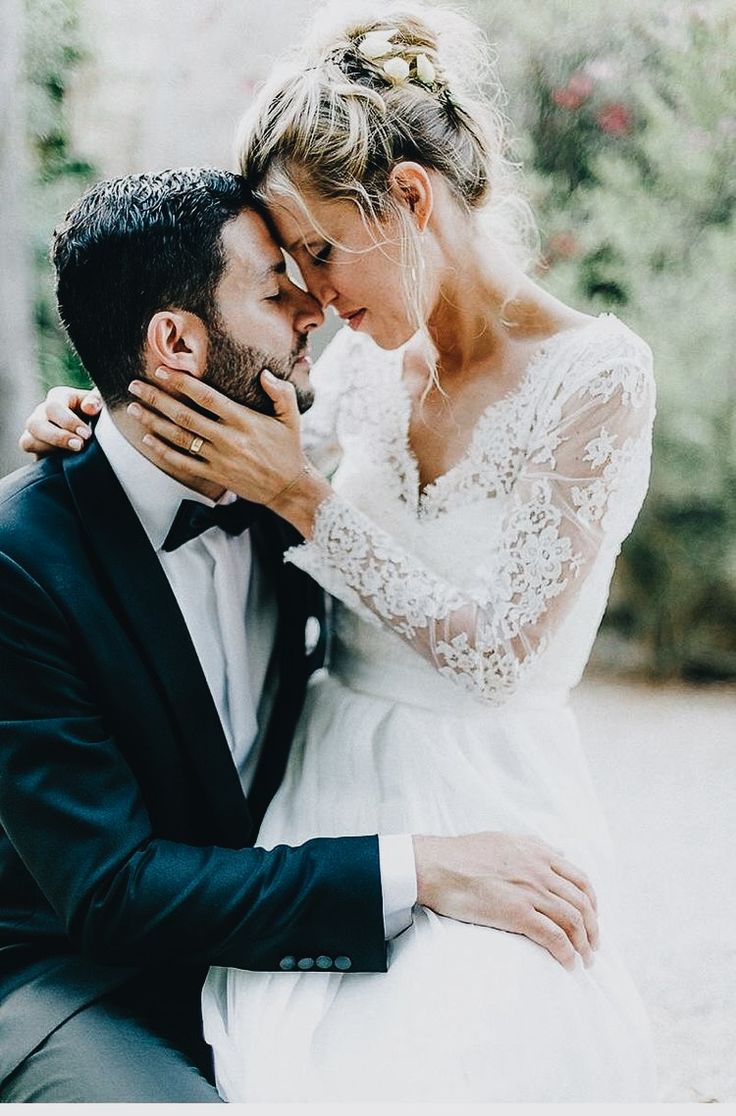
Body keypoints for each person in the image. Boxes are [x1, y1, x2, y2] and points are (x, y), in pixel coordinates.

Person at [76, 2, 655, 1102]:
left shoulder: (597, 378)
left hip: (488, 784)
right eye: (291, 267)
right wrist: (102, 425)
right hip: (332, 773)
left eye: (318, 252)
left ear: (408, 199)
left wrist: (304, 497)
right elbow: (224, 457)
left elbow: (497, 658)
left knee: (459, 1055)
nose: (312, 295)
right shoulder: (356, 367)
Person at [4, 166, 602, 1104]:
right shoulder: (22, 564)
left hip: (272, 918)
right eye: (277, 290)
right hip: (80, 974)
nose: (313, 308)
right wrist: (422, 867)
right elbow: (111, 895)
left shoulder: (287, 486)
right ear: (176, 341)